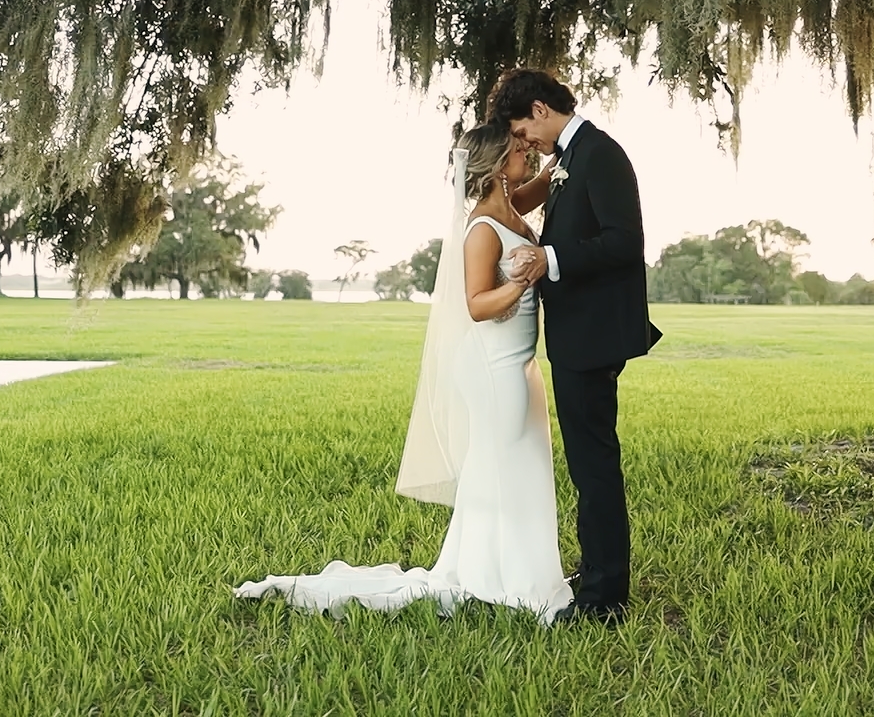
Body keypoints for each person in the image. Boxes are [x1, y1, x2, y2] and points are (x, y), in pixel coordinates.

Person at [234, 120, 574, 623]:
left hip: (520, 365)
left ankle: (513, 572)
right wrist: (525, 279)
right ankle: (496, 579)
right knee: (497, 470)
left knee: (520, 470)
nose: (527, 150)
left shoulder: (512, 210)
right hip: (492, 365)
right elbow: (478, 305)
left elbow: (542, 183)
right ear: (498, 164)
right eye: (518, 147)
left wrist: (566, 157)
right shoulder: (481, 229)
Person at [493, 68, 659, 626]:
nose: (524, 143)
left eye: (522, 131)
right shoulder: (569, 157)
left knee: (595, 467)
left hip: (592, 337)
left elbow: (624, 241)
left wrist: (550, 261)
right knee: (589, 465)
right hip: (577, 334)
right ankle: (595, 575)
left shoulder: (599, 154)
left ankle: (604, 600)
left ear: (541, 109)